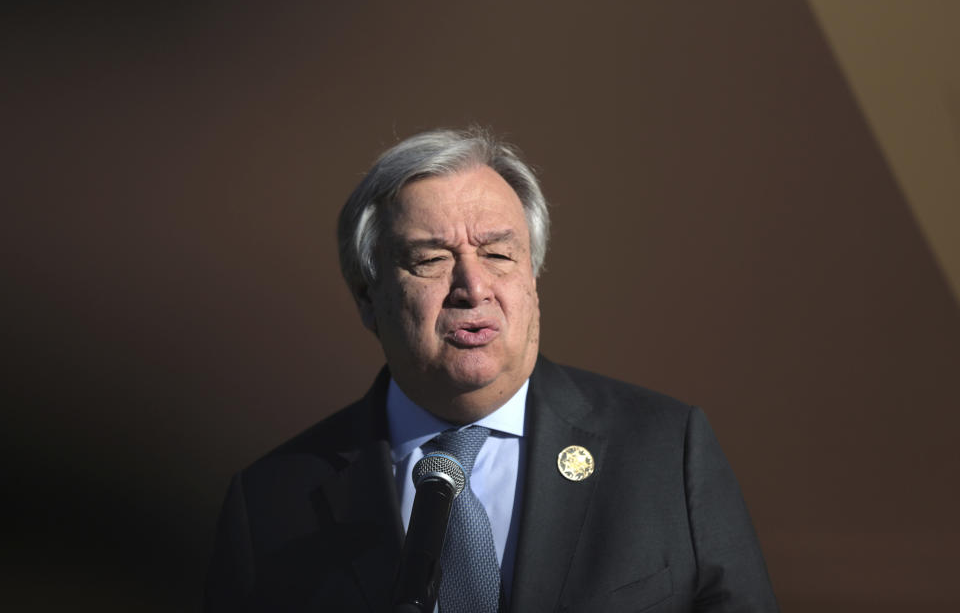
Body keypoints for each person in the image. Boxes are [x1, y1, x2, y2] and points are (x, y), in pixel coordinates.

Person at [205, 128, 779, 612]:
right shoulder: (270, 503)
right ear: (366, 296)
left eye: (500, 255)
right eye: (430, 260)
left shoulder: (666, 450)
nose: (472, 287)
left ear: (534, 280)